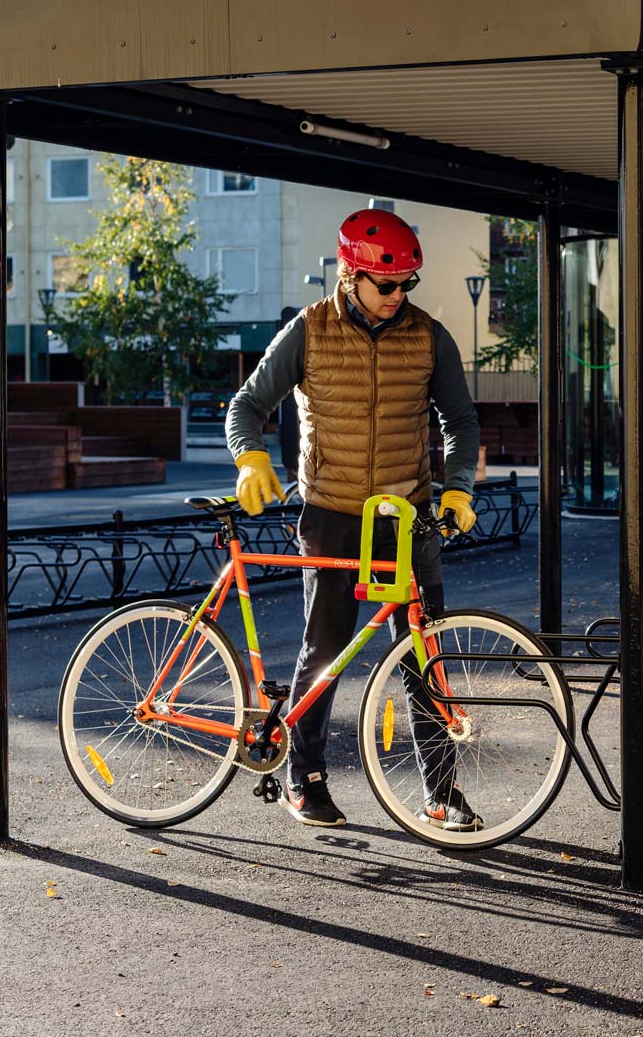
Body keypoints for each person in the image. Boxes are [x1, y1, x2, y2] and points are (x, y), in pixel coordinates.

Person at [225, 208, 481, 830]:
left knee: (424, 652)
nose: (399, 297)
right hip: (332, 511)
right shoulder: (308, 332)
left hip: (406, 514)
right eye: (387, 285)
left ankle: (441, 792)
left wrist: (457, 488)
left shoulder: (428, 337)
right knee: (325, 649)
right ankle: (304, 778)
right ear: (351, 274)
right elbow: (248, 405)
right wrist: (250, 457)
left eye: (407, 285)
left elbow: (461, 422)